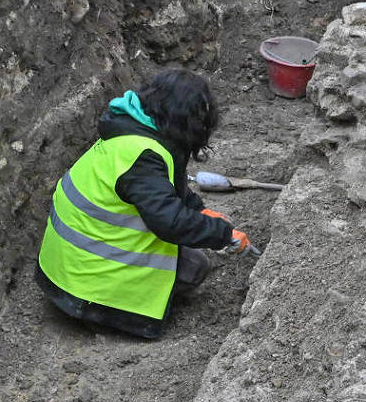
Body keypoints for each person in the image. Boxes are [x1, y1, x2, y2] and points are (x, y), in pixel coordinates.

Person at [36, 68, 251, 338]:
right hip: (86, 287)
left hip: (67, 268)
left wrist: (198, 210)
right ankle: (110, 314)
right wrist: (221, 233)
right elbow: (169, 222)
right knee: (195, 266)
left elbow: (166, 188)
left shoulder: (131, 131)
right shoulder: (144, 158)